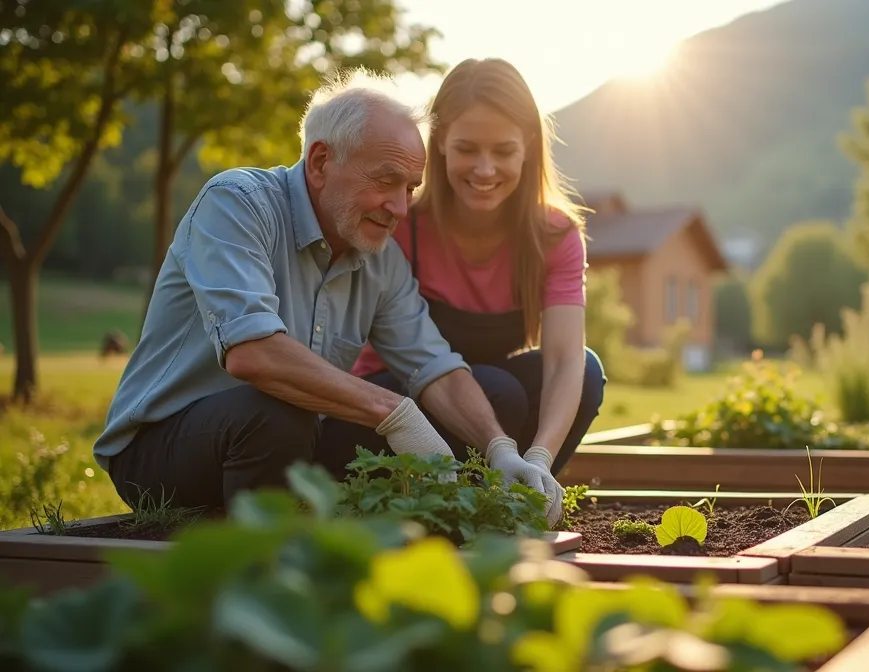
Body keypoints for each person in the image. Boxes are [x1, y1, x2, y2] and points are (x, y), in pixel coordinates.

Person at [92, 69, 564, 524]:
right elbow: (253, 354)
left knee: (477, 397)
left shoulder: (380, 258)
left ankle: (370, 533)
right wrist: (395, 414)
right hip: (160, 452)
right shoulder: (237, 203)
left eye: (409, 188)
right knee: (279, 413)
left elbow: (433, 364)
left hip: (292, 439)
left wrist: (500, 448)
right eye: (386, 181)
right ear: (320, 162)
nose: (401, 208)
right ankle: (265, 559)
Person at [345, 58, 605, 502]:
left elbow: (565, 360)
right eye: (467, 149)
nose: (485, 169)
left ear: (527, 145)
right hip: (397, 401)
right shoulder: (401, 224)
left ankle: (524, 491)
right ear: (441, 142)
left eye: (503, 151)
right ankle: (451, 501)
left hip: (493, 402)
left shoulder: (555, 235)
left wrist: (540, 456)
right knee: (500, 390)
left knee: (587, 370)